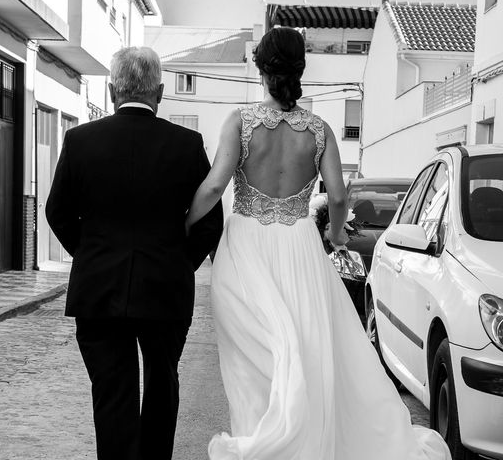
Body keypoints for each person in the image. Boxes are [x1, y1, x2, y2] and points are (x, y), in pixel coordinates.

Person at [185, 27, 451, 460]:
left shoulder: (239, 121)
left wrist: (183, 224)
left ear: (261, 67)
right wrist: (334, 233)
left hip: (246, 249)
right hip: (299, 248)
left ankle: (263, 440)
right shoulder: (320, 129)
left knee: (256, 357)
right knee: (308, 349)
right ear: (299, 69)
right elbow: (340, 195)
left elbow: (215, 187)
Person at [46, 46, 223, 460]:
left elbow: (56, 212)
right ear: (159, 92)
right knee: (163, 386)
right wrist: (180, 262)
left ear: (111, 91)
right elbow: (210, 223)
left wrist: (90, 254)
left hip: (98, 289)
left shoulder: (80, 140)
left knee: (112, 393)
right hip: (165, 289)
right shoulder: (187, 144)